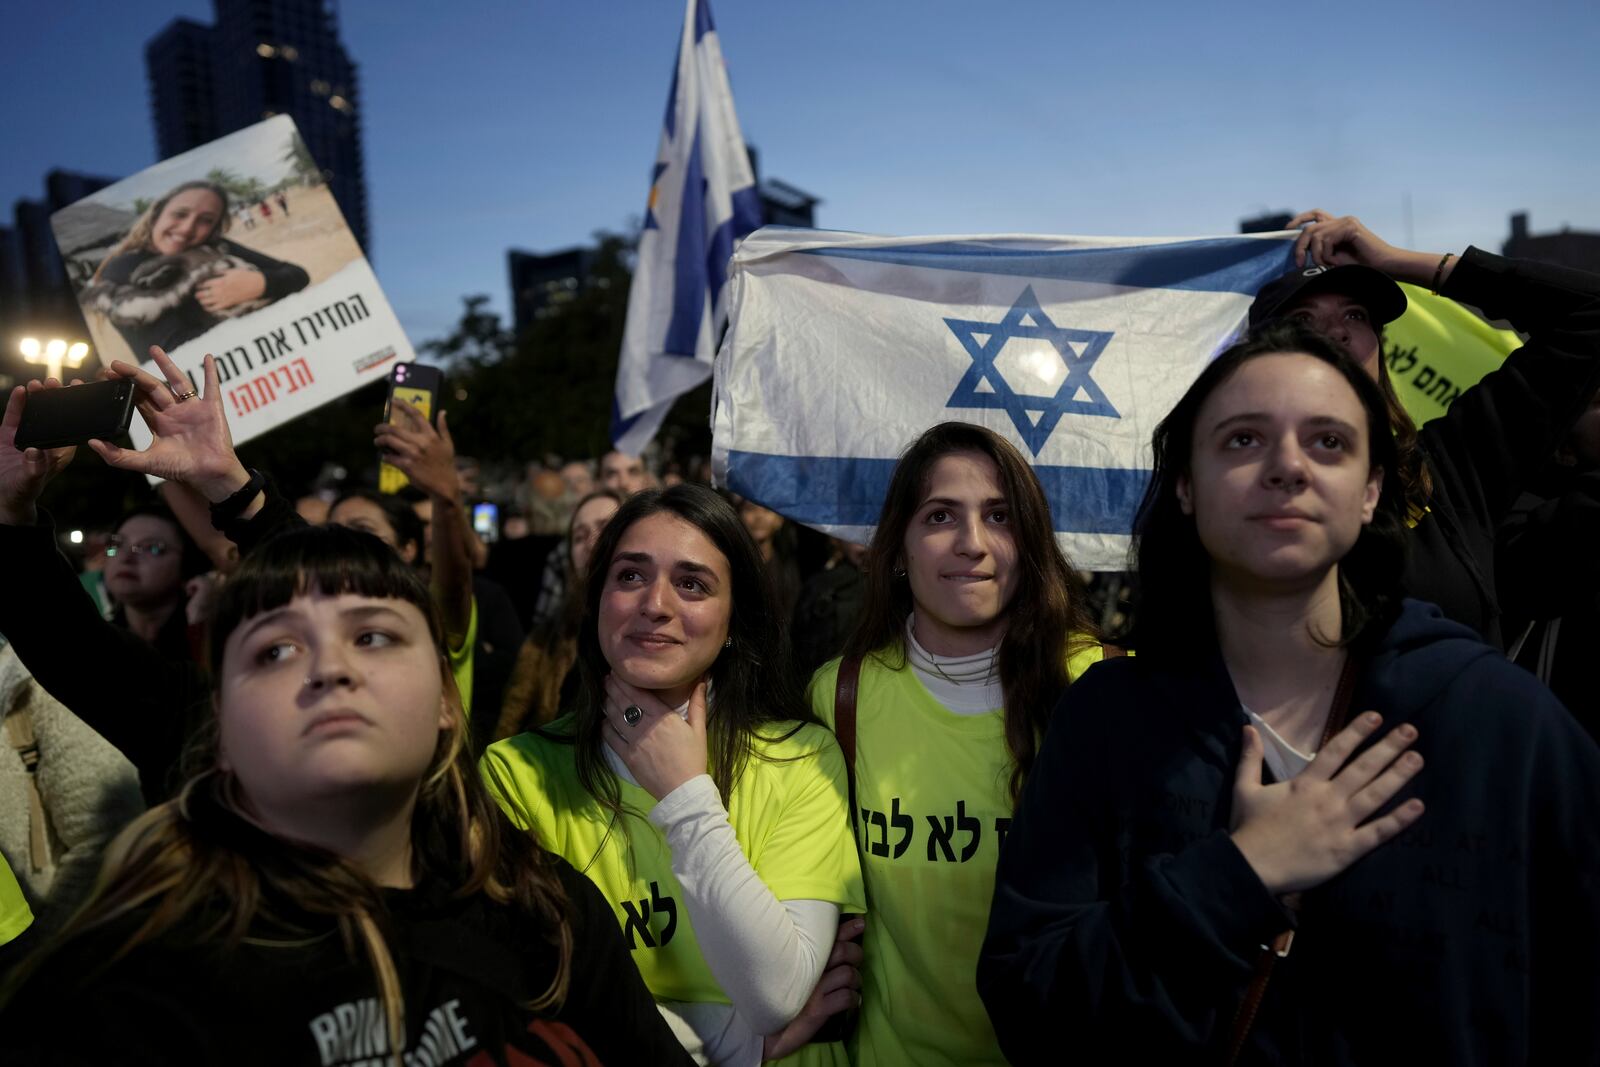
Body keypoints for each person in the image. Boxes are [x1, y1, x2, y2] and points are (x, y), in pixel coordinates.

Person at [978, 322, 1600, 1065]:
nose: (1287, 467)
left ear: (1372, 491)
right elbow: (1030, 1008)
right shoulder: (1105, 719)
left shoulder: (1506, 725)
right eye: (1242, 440)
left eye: (1329, 442)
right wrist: (1238, 876)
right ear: (1184, 484)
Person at [0, 523, 694, 1065]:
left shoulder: (541, 905)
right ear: (223, 729)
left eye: (373, 635)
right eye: (274, 650)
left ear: (447, 701)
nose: (330, 667)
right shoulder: (123, 997)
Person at [482, 484, 866, 1066]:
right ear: (597, 600)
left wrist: (685, 797)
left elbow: (774, 997)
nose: (655, 604)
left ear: (735, 619)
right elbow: (534, 1012)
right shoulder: (516, 774)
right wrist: (737, 1046)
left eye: (692, 584)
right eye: (631, 576)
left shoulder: (801, 756)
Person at [806, 421, 1105, 1067]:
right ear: (896, 547)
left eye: (999, 515)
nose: (972, 543)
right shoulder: (839, 695)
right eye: (941, 515)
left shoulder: (1103, 685)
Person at [1249, 211, 1600, 647]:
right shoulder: (1236, 494)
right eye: (1303, 320)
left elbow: (1593, 311)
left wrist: (1398, 261)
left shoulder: (1449, 469)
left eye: (1356, 316)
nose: (1337, 332)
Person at [87, 181, 309, 356]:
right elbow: (174, 351)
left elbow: (298, 274)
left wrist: (259, 284)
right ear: (157, 215)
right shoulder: (122, 269)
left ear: (214, 228)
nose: (187, 228)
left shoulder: (214, 248)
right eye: (180, 214)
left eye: (205, 220)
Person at [495, 489, 622, 741]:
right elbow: (509, 724)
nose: (590, 542)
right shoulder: (545, 641)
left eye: (605, 527)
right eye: (579, 536)